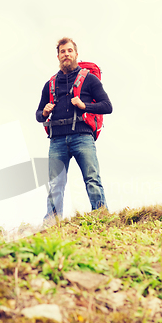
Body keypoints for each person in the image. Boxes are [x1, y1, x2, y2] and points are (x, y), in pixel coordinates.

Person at [36, 37, 113, 224]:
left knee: (92, 178)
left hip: (82, 137)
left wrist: (84, 105)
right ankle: (52, 223)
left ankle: (101, 217)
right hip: (57, 141)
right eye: (63, 52)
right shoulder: (50, 84)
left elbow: (107, 106)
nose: (66, 54)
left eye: (69, 51)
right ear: (58, 56)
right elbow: (39, 115)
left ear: (76, 54)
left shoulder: (89, 80)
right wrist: (44, 111)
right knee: (55, 185)